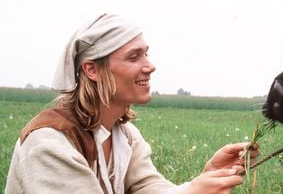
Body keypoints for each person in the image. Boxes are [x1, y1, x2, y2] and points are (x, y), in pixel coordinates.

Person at [5, 14, 259, 194]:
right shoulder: (49, 146)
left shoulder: (123, 135)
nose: (149, 66)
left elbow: (150, 189)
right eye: (134, 56)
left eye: (145, 53)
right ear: (92, 69)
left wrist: (205, 177)